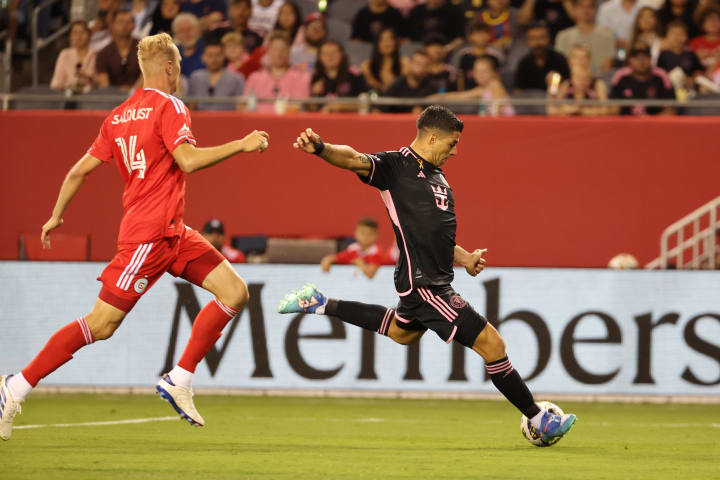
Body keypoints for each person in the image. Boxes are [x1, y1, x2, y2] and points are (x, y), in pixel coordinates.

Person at [0, 32, 270, 442]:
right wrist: (243, 143)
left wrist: (57, 215)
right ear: (169, 67)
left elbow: (79, 170)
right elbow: (188, 160)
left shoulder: (118, 115)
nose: (179, 73)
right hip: (148, 237)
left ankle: (179, 378)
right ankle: (15, 386)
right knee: (102, 324)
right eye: (178, 66)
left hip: (173, 233)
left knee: (234, 292)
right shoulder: (172, 106)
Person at [279, 106, 577, 446]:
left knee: (401, 333)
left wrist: (465, 257)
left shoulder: (439, 178)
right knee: (492, 343)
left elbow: (436, 233)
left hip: (434, 280)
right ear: (432, 137)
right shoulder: (395, 166)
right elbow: (353, 159)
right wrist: (321, 148)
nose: (455, 151)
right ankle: (539, 418)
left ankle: (319, 302)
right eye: (452, 143)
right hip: (424, 284)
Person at [243, 32, 311, 113]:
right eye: (275, 49)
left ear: (289, 51)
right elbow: (245, 105)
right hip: (260, 124)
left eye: (283, 49)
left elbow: (300, 107)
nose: (279, 53)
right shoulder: (255, 77)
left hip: (289, 123)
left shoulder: (302, 78)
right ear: (268, 51)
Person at [430, 55, 514, 115]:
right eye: (477, 71)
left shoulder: (495, 85)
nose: (479, 75)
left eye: (484, 71)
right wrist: (439, 97)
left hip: (504, 124)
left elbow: (497, 111)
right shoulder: (481, 89)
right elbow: (459, 96)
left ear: (493, 73)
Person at [610, 41, 676, 114]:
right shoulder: (621, 76)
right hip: (625, 123)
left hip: (656, 123)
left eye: (645, 57)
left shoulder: (661, 76)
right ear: (630, 60)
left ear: (650, 58)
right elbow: (613, 108)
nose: (641, 61)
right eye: (637, 57)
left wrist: (650, 123)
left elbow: (670, 109)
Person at [555, 0, 616, 75]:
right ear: (574, 9)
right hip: (570, 81)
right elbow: (561, 66)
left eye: (590, 6)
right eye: (581, 6)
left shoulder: (607, 36)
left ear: (596, 9)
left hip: (598, 82)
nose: (585, 10)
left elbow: (607, 68)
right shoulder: (563, 36)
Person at [547, 46, 609, 115]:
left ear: (589, 60)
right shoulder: (564, 83)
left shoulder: (598, 84)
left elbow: (605, 110)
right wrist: (552, 87)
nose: (580, 61)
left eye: (584, 57)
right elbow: (552, 109)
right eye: (576, 57)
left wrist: (582, 111)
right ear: (569, 61)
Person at [311, 40, 368, 112]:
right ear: (319, 57)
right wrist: (314, 95)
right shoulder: (315, 77)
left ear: (342, 54)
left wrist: (339, 107)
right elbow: (310, 109)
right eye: (325, 53)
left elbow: (364, 103)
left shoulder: (355, 75)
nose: (329, 56)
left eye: (333, 53)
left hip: (350, 120)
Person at [187, 41, 245, 110]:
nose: (214, 59)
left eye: (218, 55)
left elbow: (240, 107)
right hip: (201, 119)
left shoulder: (237, 78)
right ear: (203, 57)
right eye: (210, 55)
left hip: (227, 119)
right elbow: (191, 105)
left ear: (223, 56)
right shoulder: (195, 77)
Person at [320, 218, 385, 279]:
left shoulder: (376, 252)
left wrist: (361, 264)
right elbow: (337, 257)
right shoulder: (353, 248)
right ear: (356, 233)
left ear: (376, 235)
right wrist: (327, 260)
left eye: (370, 234)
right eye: (362, 233)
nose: (365, 237)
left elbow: (370, 274)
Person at [514, 21, 570, 91]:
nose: (537, 43)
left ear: (548, 39)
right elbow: (518, 91)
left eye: (541, 37)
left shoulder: (559, 60)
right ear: (527, 41)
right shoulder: (523, 63)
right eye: (533, 38)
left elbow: (568, 85)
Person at [95, 9, 142, 90]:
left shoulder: (145, 49)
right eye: (120, 22)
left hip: (140, 96)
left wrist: (133, 91)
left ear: (134, 26)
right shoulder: (104, 53)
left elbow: (148, 76)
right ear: (113, 25)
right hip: (112, 98)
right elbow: (104, 84)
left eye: (128, 22)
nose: (124, 25)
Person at [51, 20, 97, 94]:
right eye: (75, 33)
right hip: (67, 95)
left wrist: (87, 77)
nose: (78, 36)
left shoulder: (96, 54)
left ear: (89, 35)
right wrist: (69, 87)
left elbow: (100, 83)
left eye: (82, 32)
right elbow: (56, 83)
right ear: (70, 36)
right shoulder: (64, 54)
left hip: (90, 96)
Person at [456, 22, 504, 91]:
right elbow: (461, 76)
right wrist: (461, 93)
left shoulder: (494, 55)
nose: (481, 37)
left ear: (489, 35)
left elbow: (497, 77)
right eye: (478, 34)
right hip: (468, 93)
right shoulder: (464, 55)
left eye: (484, 33)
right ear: (470, 37)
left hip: (489, 93)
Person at [361, 28, 410, 92]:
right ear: (377, 44)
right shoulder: (367, 65)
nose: (386, 43)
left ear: (395, 42)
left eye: (390, 39)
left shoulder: (405, 63)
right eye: (382, 40)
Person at [657, 20, 704, 85]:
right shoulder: (663, 54)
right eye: (673, 33)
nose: (676, 37)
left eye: (680, 33)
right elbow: (658, 72)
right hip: (669, 88)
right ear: (666, 36)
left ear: (686, 37)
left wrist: (693, 79)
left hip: (688, 88)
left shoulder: (690, 54)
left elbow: (698, 71)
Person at [689, 8, 720, 73]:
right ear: (702, 24)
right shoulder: (695, 42)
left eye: (716, 19)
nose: (712, 22)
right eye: (708, 19)